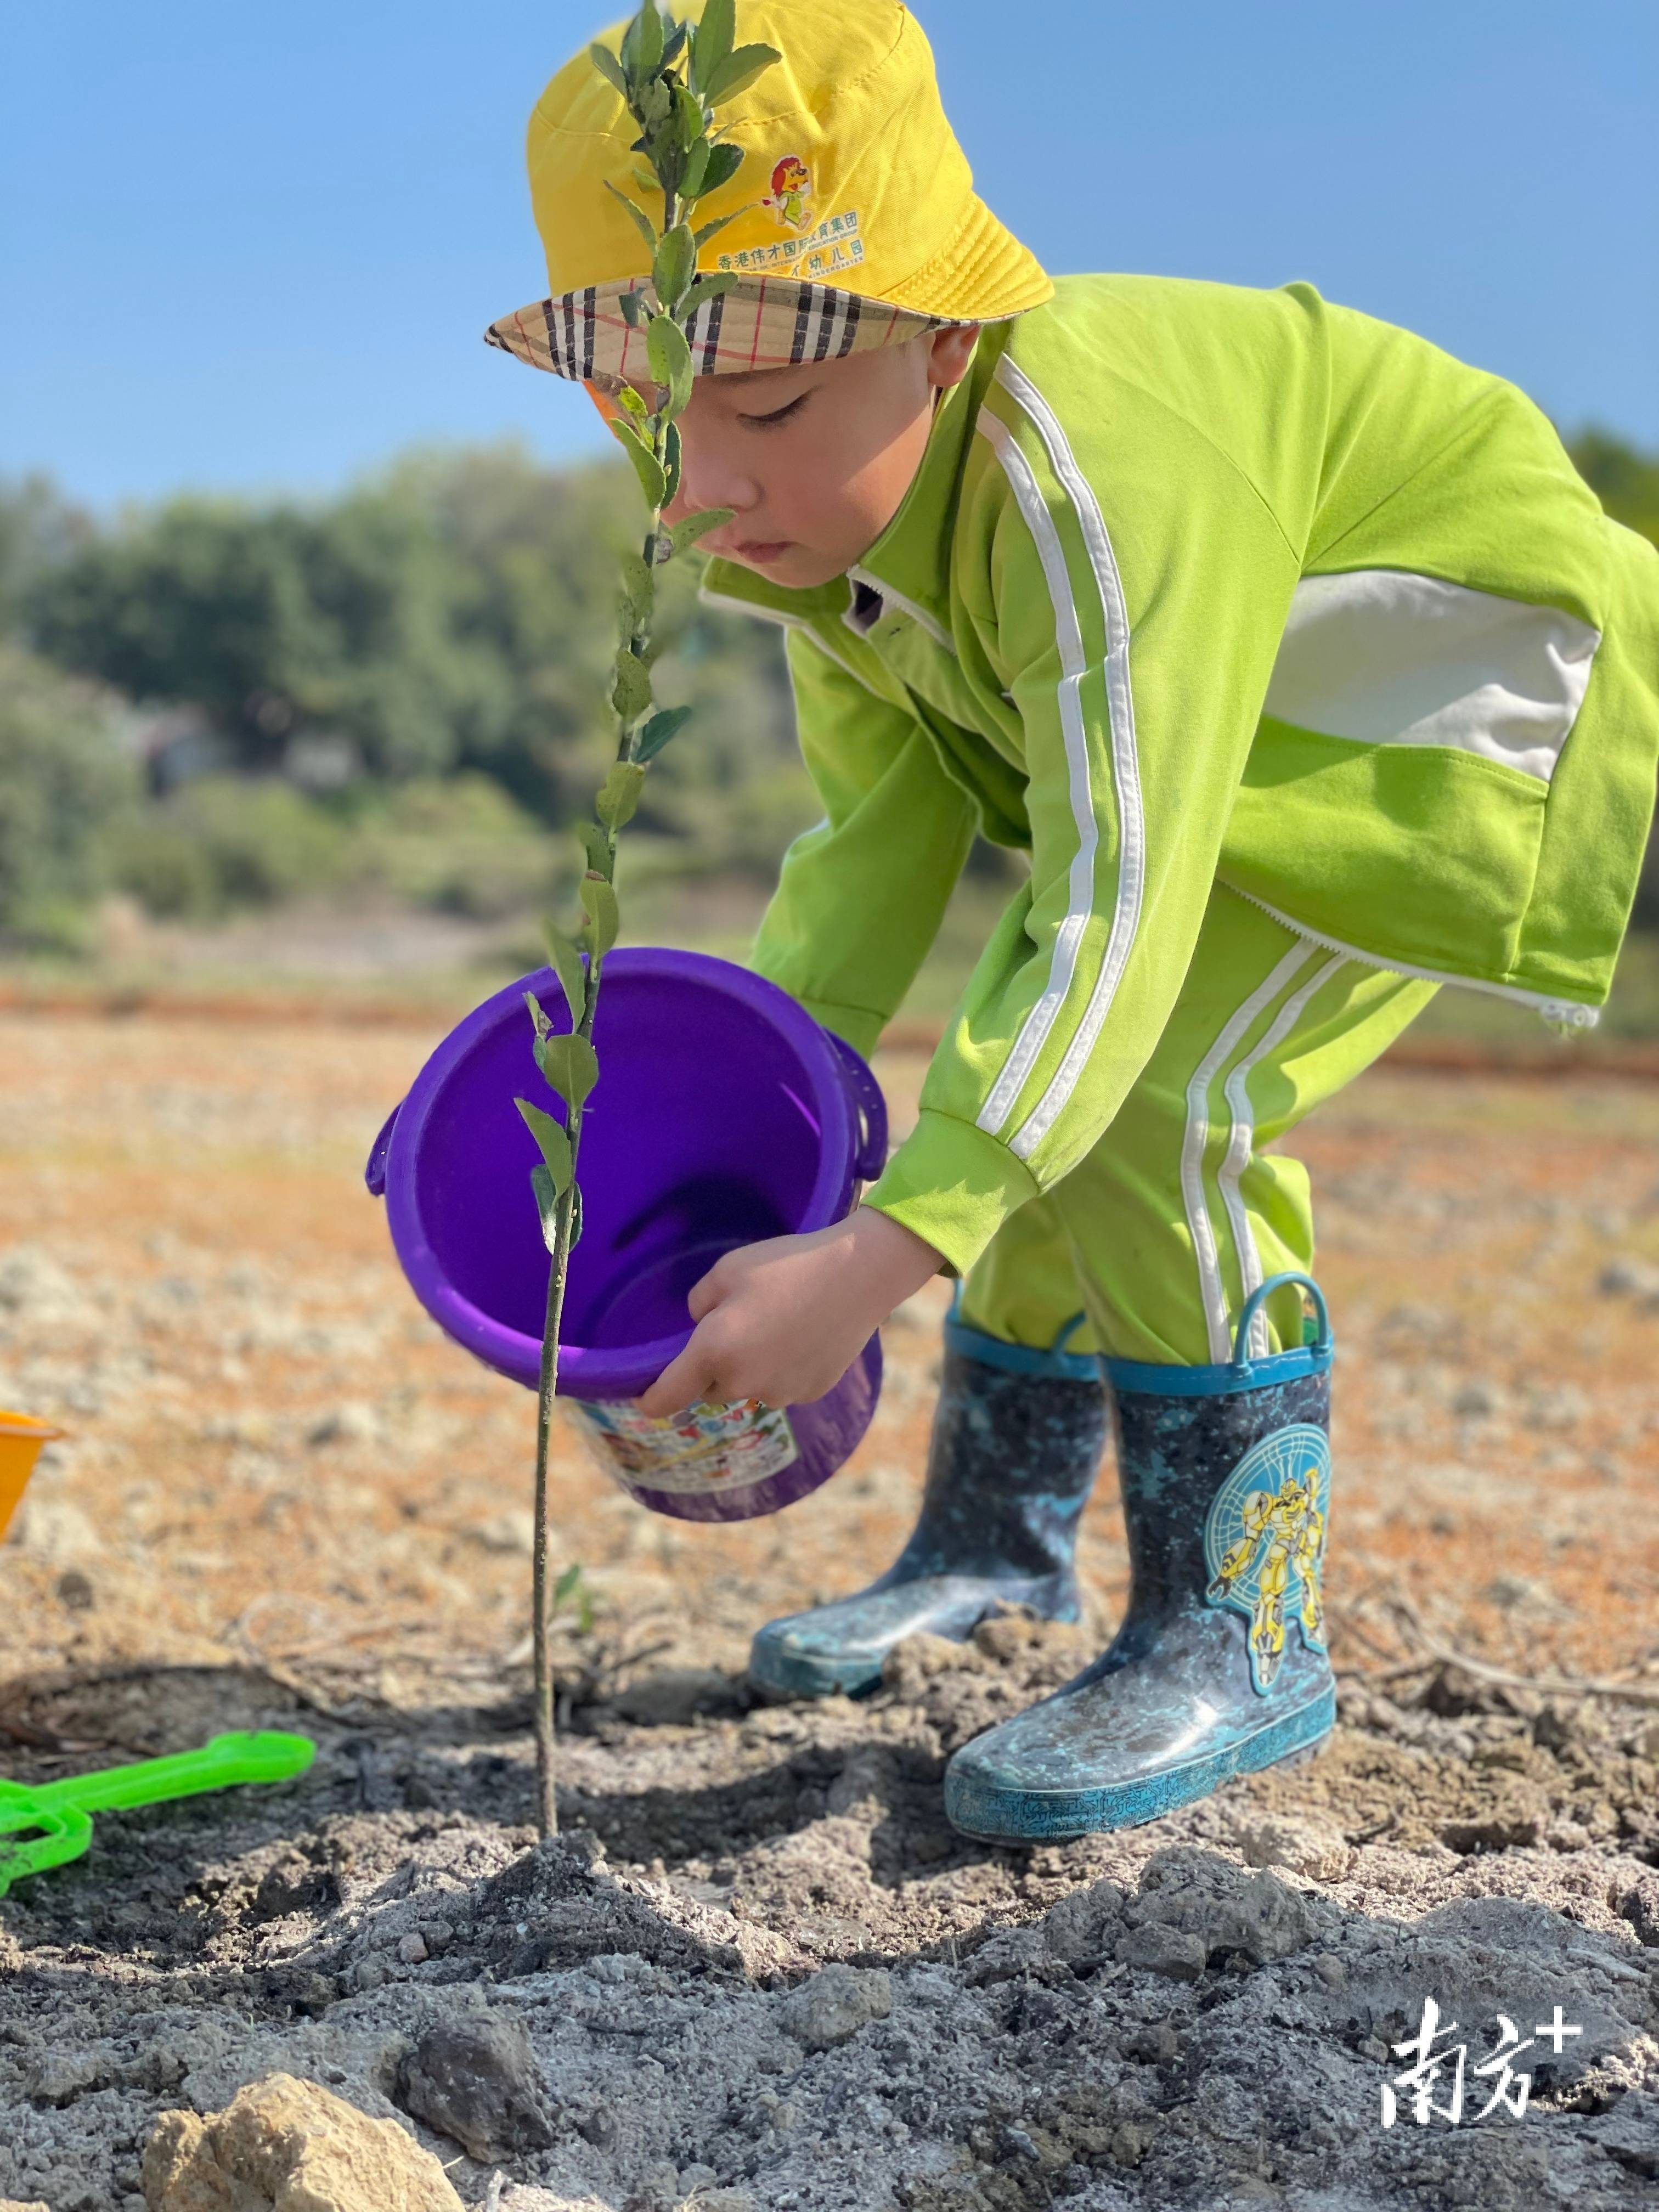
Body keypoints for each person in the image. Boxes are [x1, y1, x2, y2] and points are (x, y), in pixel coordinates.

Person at [485, 1, 1659, 1843]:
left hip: (1431, 728)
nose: (706, 480)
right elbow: (873, 845)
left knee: (1147, 1084)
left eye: (772, 405)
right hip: (1211, 751)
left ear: (941, 335)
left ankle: (1240, 1630)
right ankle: (995, 1550)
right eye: (646, 416)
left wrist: (881, 1260)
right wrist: (739, 1152)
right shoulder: (815, 538)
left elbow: (1120, 902)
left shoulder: (1079, 477)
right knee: (1018, 1087)